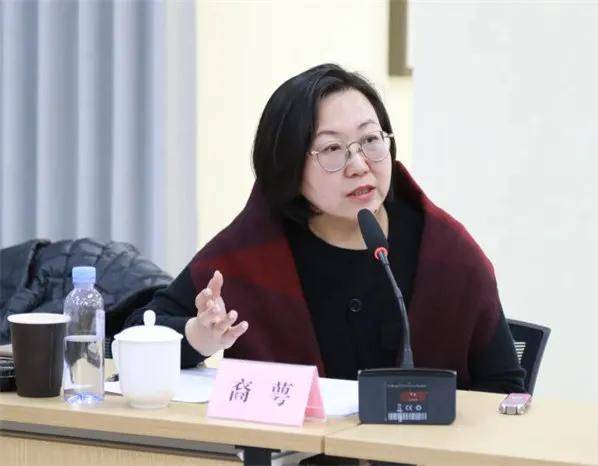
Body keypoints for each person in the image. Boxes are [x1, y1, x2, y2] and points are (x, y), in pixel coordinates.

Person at [125, 64, 525, 393]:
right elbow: (134, 336)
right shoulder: (254, 250)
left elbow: (505, 389)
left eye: (371, 140)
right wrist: (197, 336)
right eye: (333, 148)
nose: (359, 165)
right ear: (288, 167)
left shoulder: (443, 251)